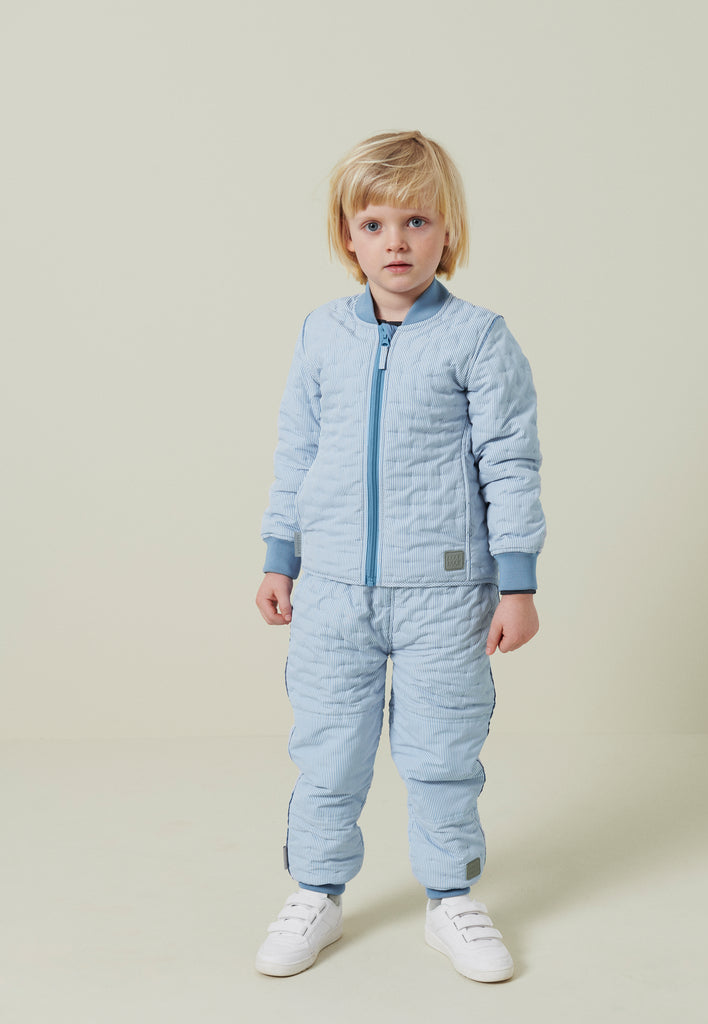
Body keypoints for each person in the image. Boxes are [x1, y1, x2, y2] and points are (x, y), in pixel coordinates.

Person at [254, 130, 545, 983]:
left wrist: (517, 583)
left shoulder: (478, 338)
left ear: (447, 231)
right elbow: (297, 449)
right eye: (374, 224)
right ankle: (316, 892)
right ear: (347, 237)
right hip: (333, 592)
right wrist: (279, 556)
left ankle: (451, 899)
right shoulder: (321, 334)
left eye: (416, 221)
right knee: (327, 753)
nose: (395, 242)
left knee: (443, 755)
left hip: (445, 597)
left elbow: (510, 462)